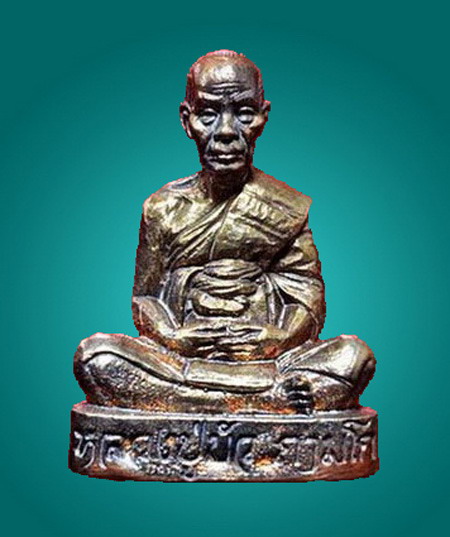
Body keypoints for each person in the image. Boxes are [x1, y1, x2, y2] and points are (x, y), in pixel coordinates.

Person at [75, 50, 375, 414]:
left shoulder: (286, 206)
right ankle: (267, 402)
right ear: (187, 121)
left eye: (244, 113)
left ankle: (190, 402)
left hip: (268, 361)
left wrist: (277, 338)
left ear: (263, 117)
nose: (227, 132)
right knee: (95, 356)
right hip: (182, 359)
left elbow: (306, 295)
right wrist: (174, 337)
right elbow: (145, 298)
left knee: (354, 356)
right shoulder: (162, 208)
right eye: (208, 115)